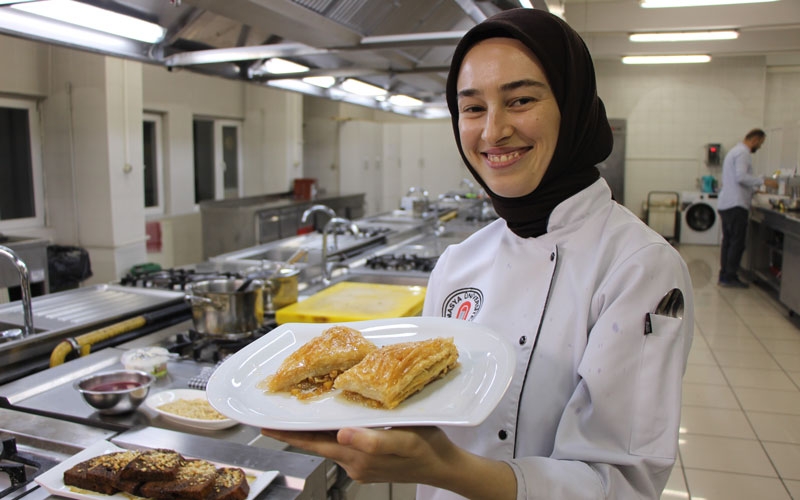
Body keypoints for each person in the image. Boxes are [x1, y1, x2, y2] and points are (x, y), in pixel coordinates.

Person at [261, 8, 694, 499]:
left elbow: (621, 485)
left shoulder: (638, 268)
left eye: (521, 100)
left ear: (572, 106)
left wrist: (449, 470)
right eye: (472, 108)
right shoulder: (460, 261)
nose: (492, 132)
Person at [716, 129, 770, 288]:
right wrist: (762, 181)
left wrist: (753, 189)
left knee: (728, 242)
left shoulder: (734, 151)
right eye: (760, 143)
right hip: (736, 205)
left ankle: (724, 274)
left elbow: (736, 179)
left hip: (727, 203)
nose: (759, 147)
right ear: (755, 139)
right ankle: (729, 276)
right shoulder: (743, 153)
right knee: (736, 243)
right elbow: (741, 177)